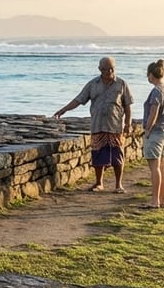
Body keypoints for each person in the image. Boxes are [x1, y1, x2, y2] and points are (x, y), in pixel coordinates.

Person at [53, 56, 133, 193]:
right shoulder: (93, 84)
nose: (108, 72)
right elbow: (79, 99)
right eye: (104, 69)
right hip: (98, 125)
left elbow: (127, 105)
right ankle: (98, 183)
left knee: (117, 156)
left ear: (114, 68)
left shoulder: (121, 84)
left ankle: (118, 185)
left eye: (111, 69)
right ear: (99, 69)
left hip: (115, 126)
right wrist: (63, 109)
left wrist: (128, 123)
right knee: (98, 155)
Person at [142, 59, 164, 208]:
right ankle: (162, 199)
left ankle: (155, 201)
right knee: (163, 164)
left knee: (154, 167)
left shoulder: (156, 91)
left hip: (156, 132)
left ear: (151, 75)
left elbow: (153, 114)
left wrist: (147, 130)